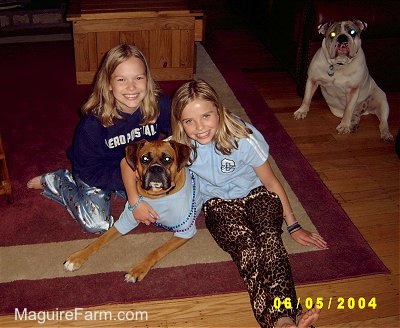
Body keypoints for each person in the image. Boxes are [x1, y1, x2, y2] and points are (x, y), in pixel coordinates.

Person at [168, 79, 328, 328]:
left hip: (257, 195)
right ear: (180, 122)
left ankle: (283, 320)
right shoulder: (179, 146)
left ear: (219, 111)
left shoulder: (244, 136)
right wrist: (137, 201)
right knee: (248, 251)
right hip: (218, 204)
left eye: (206, 116)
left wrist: (294, 225)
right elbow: (138, 164)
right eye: (189, 121)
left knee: (271, 242)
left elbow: (272, 183)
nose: (199, 127)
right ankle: (286, 320)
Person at [27, 44, 171, 234]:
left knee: (167, 203)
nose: (131, 87)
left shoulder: (158, 105)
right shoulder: (92, 125)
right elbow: (88, 170)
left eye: (138, 78)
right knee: (97, 224)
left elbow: (179, 133)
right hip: (95, 172)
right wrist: (129, 184)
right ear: (109, 84)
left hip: (136, 171)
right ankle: (58, 181)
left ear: (147, 79)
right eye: (121, 80)